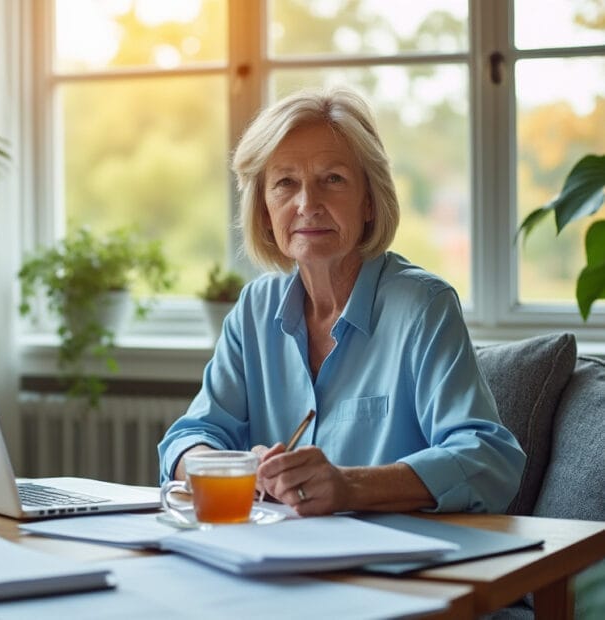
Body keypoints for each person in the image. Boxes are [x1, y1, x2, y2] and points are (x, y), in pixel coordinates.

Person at [158, 87, 525, 516]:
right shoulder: (254, 309)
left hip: (391, 568)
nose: (307, 204)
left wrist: (350, 485)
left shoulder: (423, 306)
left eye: (332, 179)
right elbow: (188, 438)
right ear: (263, 209)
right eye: (285, 183)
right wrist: (234, 467)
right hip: (271, 559)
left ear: (369, 201)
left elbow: (488, 460)